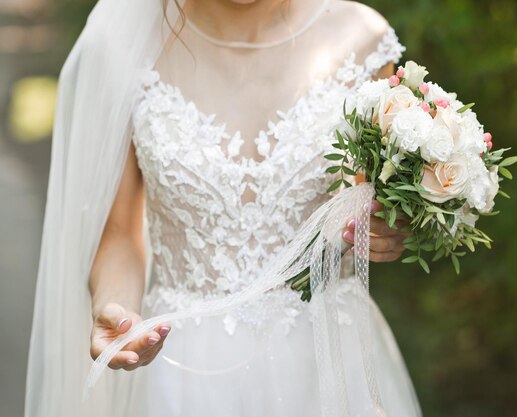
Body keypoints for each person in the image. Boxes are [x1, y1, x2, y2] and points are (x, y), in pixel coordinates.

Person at [25, 0, 422, 416]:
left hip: (330, 365)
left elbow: (370, 203)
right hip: (183, 367)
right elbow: (119, 233)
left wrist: (385, 228)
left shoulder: (362, 39)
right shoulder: (122, 45)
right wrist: (118, 311)